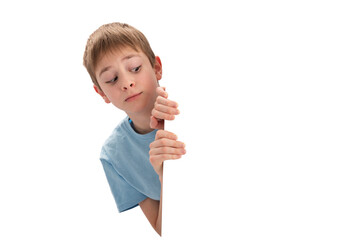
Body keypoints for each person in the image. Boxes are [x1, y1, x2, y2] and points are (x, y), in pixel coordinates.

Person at [83, 22, 186, 236]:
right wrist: (164, 174)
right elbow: (165, 231)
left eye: (135, 69)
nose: (127, 83)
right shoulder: (113, 155)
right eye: (112, 79)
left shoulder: (188, 104)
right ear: (101, 93)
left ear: (156, 67)